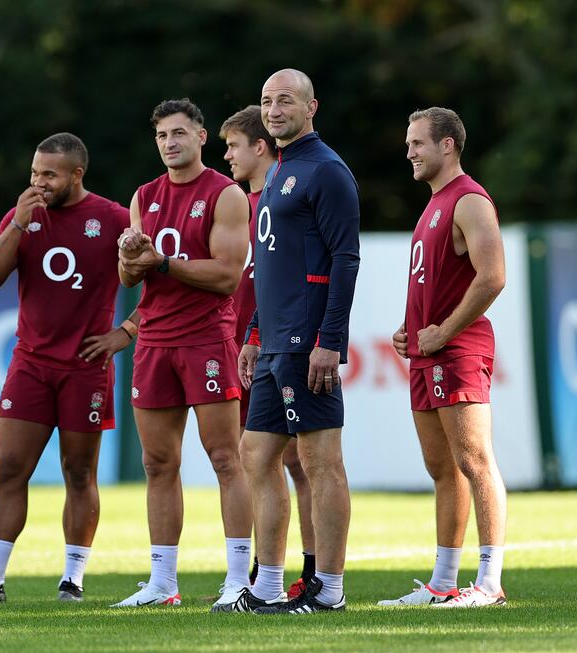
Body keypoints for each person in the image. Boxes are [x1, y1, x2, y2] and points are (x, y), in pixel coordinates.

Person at [0, 133, 132, 604]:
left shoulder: (114, 219)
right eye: (34, 173)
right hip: (30, 363)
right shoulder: (22, 216)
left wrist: (125, 333)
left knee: (79, 472)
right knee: (9, 468)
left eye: (49, 174)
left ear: (76, 175)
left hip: (85, 367)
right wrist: (18, 225)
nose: (38, 182)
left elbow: (166, 288)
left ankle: (72, 580)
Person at [112, 98, 253, 611]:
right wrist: (131, 256)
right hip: (154, 341)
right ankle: (162, 583)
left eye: (178, 133)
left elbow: (227, 275)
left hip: (206, 338)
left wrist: (162, 262)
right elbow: (129, 276)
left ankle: (238, 579)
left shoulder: (225, 194)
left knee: (225, 458)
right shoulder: (144, 195)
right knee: (156, 463)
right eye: (161, 136)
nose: (169, 143)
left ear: (200, 136)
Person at [236, 69, 360, 615]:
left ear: (312, 107)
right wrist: (254, 333)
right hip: (273, 343)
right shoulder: (279, 170)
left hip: (307, 340)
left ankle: (328, 589)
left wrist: (330, 340)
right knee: (256, 454)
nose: (274, 109)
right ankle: (266, 585)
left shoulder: (326, 170)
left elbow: (345, 259)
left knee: (320, 461)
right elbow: (271, 265)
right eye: (266, 100)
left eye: (285, 100)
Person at [379, 107, 507, 608]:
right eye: (408, 143)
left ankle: (490, 583)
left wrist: (444, 331)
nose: (409, 152)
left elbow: (492, 276)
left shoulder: (469, 199)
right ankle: (442, 583)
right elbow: (435, 282)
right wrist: (409, 330)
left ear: (447, 145)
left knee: (475, 460)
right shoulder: (434, 203)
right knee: (443, 469)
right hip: (427, 354)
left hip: (458, 350)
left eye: (417, 143)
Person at [219, 106, 317, 602]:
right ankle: (262, 573)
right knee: (256, 459)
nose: (227, 156)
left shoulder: (284, 200)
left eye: (233, 146)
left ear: (260, 147)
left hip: (285, 345)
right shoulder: (236, 206)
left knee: (300, 461)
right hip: (245, 346)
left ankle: (313, 572)